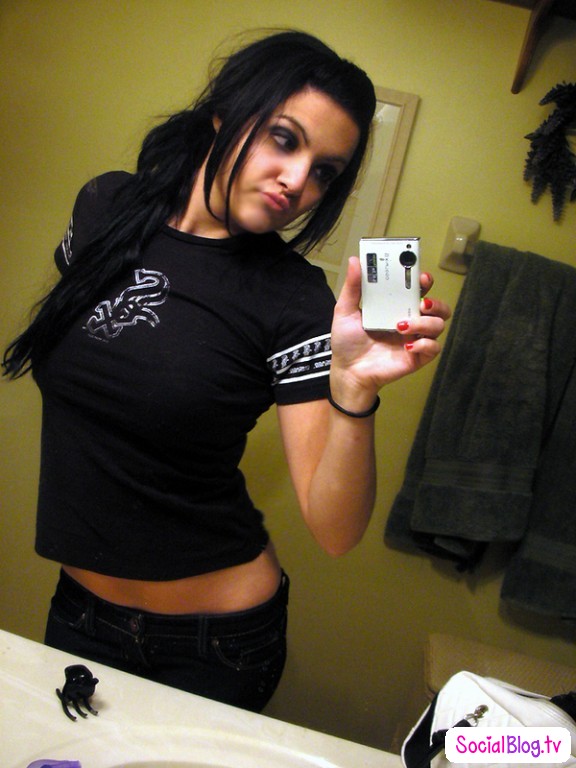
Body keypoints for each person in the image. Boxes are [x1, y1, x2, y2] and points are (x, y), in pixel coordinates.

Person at [2, 30, 450, 712]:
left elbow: (335, 531)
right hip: (78, 613)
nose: (298, 180)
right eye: (283, 139)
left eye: (325, 171)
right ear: (223, 115)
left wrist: (354, 389)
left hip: (212, 644)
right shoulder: (105, 208)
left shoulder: (293, 299)